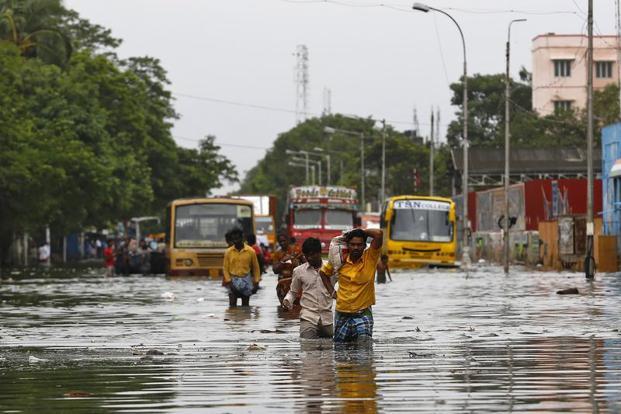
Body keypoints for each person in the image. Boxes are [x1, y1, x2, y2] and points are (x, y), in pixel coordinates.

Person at [320, 228, 383, 343]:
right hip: (342, 313)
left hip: (363, 313)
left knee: (364, 348)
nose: (355, 248)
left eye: (359, 245)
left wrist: (358, 231)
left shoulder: (370, 257)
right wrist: (332, 292)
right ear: (347, 245)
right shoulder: (339, 259)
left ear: (365, 246)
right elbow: (323, 273)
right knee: (340, 352)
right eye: (352, 244)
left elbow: (378, 234)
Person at [283, 237, 333, 339]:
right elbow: (293, 292)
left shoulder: (331, 269)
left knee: (328, 352)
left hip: (327, 319)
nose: (309, 258)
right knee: (307, 348)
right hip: (308, 317)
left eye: (312, 254)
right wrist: (287, 301)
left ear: (319, 252)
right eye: (307, 255)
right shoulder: (298, 271)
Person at [222, 228, 261, 307]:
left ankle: (245, 319)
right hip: (233, 280)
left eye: (237, 238)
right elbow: (225, 269)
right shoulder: (228, 252)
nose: (235, 241)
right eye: (233, 239)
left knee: (245, 306)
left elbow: (256, 268)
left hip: (246, 280)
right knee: (232, 305)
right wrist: (229, 283)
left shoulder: (251, 251)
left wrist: (256, 283)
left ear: (242, 238)